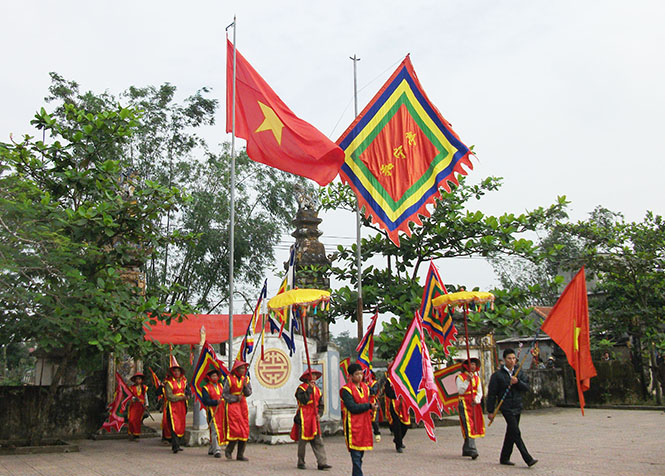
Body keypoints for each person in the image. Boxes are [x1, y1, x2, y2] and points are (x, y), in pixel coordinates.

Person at [487, 348, 538, 468]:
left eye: (514, 358)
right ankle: (528, 458)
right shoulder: (497, 375)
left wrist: (517, 382)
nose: (512, 361)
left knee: (511, 432)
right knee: (516, 431)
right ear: (504, 360)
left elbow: (526, 387)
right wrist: (490, 410)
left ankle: (504, 457)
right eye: (509, 358)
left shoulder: (519, 372)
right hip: (505, 406)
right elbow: (492, 394)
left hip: (517, 405)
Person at [291, 369, 332, 471]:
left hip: (314, 417)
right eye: (311, 375)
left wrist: (320, 414)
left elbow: (321, 404)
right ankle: (301, 461)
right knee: (302, 441)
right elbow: (303, 400)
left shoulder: (318, 390)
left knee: (318, 440)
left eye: (314, 375)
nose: (313, 377)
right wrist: (309, 388)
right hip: (303, 416)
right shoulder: (300, 389)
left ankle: (322, 462)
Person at [340, 362, 377, 476]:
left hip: (364, 424)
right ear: (350, 376)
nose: (360, 376)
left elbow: (373, 395)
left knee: (360, 455)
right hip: (353, 425)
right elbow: (353, 408)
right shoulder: (346, 390)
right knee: (355, 456)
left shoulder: (365, 387)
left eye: (361, 374)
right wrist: (368, 406)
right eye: (357, 374)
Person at [455, 358, 485, 459]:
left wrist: (476, 399)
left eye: (474, 364)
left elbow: (480, 391)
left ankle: (466, 448)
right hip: (464, 403)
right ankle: (472, 449)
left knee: (475, 425)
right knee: (468, 425)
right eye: (471, 364)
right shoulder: (460, 377)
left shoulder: (477, 378)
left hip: (474, 404)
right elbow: (460, 391)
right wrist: (467, 380)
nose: (473, 366)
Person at [223, 359, 252, 461]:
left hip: (242, 405)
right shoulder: (229, 379)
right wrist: (235, 398)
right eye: (241, 368)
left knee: (244, 429)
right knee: (235, 429)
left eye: (244, 368)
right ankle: (229, 450)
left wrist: (245, 388)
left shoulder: (246, 379)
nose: (242, 370)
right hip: (233, 405)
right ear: (236, 369)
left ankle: (240, 454)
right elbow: (225, 394)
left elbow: (249, 393)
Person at [163, 356, 190, 454]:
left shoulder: (184, 381)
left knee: (181, 424)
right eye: (175, 371)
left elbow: (187, 391)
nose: (177, 373)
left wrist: (187, 396)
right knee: (174, 425)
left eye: (178, 371)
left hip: (182, 406)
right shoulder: (168, 383)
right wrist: (180, 397)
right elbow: (169, 396)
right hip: (172, 407)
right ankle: (175, 445)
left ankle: (178, 444)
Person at [200, 368, 226, 458]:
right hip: (212, 411)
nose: (215, 377)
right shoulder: (205, 388)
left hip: (221, 411)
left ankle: (211, 448)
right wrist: (215, 402)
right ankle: (217, 450)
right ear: (209, 377)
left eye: (216, 376)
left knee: (219, 429)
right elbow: (206, 401)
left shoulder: (221, 386)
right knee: (214, 430)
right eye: (213, 376)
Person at [383, 375, 410, 453]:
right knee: (397, 424)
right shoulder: (389, 380)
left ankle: (398, 439)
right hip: (394, 404)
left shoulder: (405, 378)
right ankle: (398, 445)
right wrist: (397, 395)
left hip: (404, 404)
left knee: (406, 424)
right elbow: (388, 392)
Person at [127, 372, 148, 441]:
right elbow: (129, 397)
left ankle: (136, 435)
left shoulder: (144, 388)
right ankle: (131, 432)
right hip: (133, 405)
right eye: (136, 379)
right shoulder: (131, 388)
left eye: (139, 379)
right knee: (131, 419)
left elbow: (145, 396)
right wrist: (134, 399)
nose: (138, 380)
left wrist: (146, 404)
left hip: (140, 406)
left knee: (137, 421)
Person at [366, 370, 381, 442]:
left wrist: (368, 386)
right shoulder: (361, 383)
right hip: (365, 402)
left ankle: (377, 433)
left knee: (374, 420)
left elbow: (374, 392)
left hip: (373, 402)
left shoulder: (375, 383)